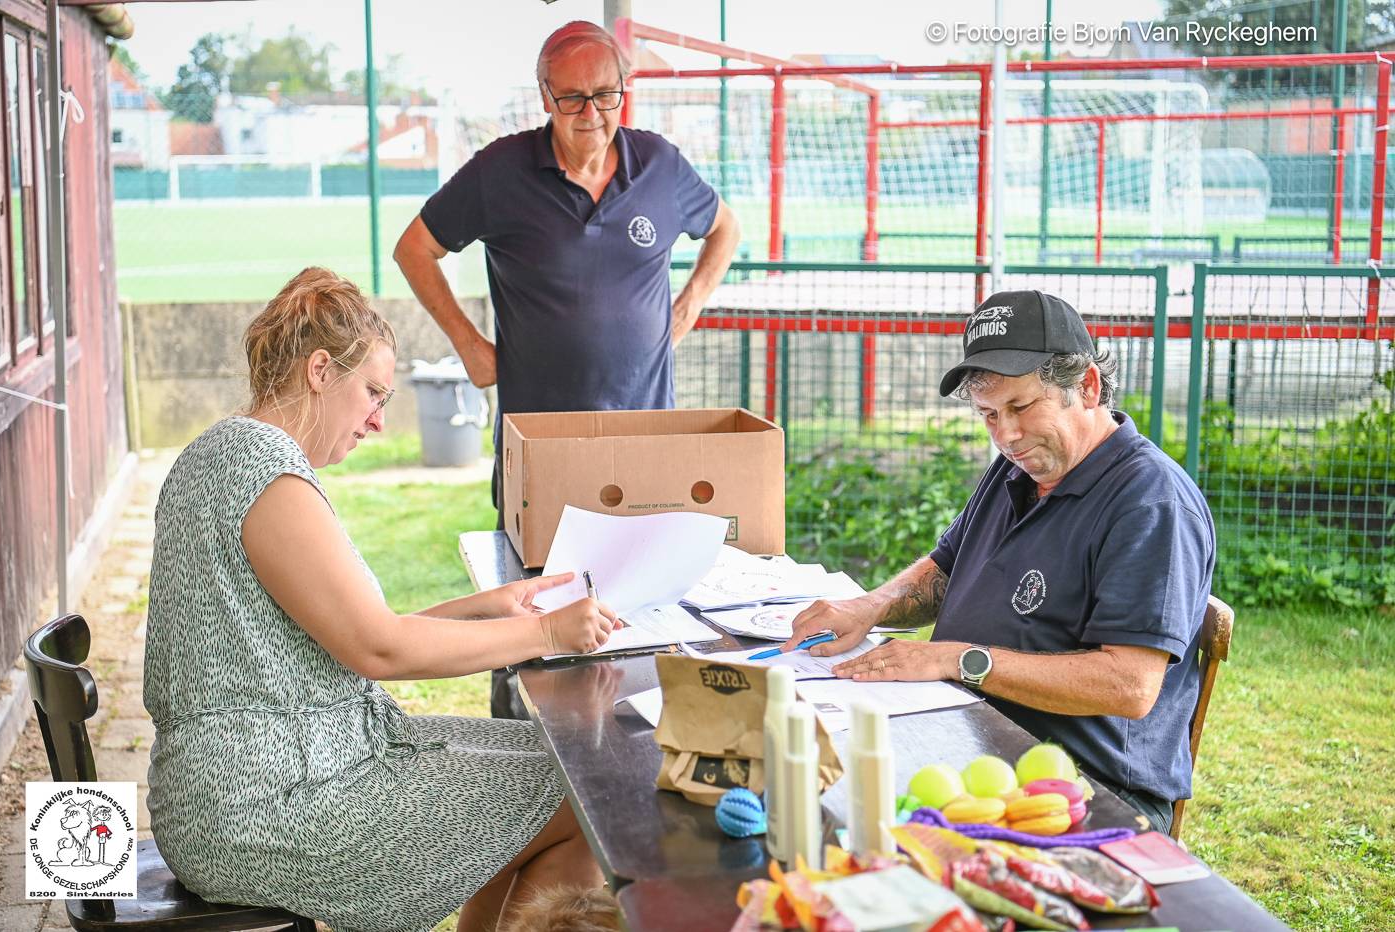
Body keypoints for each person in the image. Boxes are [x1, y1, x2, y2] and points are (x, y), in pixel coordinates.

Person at [143, 268, 617, 932]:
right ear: (318, 371)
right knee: (580, 797)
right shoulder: (262, 471)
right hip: (270, 801)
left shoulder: (236, 456)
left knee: (560, 772)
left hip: (278, 775)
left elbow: (340, 634)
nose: (378, 420)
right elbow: (377, 648)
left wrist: (485, 607)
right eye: (372, 392)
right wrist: (548, 635)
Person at [394, 20, 740, 718]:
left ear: (625, 91)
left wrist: (693, 298)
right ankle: (515, 744)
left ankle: (628, 741)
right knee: (527, 603)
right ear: (544, 95)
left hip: (644, 441)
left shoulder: (661, 166)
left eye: (606, 96)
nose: (591, 115)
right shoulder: (500, 171)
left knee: (638, 610)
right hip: (540, 448)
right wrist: (468, 342)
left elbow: (726, 227)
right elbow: (415, 248)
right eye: (572, 99)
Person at [786, 290, 1216, 834]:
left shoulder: (1150, 502)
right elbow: (946, 570)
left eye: (1020, 407)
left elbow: (1129, 686)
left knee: (847, 826)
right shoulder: (1020, 467)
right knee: (808, 783)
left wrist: (959, 660)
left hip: (1084, 786)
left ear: (1085, 386)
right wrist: (869, 608)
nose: (1005, 435)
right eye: (989, 414)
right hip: (973, 739)